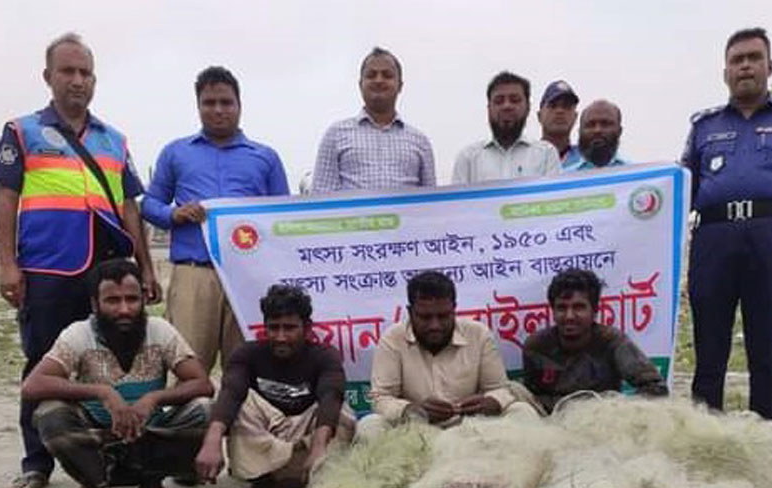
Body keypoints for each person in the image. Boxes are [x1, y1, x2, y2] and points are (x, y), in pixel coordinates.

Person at [0, 32, 158, 488]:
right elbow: (6, 198)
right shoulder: (22, 131)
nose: (77, 81)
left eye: (85, 73)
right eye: (68, 71)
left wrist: (146, 266)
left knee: (114, 362)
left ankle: (110, 456)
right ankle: (36, 463)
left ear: (94, 80)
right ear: (49, 77)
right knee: (42, 364)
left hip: (107, 270)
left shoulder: (114, 140)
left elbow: (130, 207)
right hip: (47, 268)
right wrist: (7, 264)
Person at [681, 27, 772, 420]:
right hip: (713, 239)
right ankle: (702, 434)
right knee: (709, 349)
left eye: (753, 57)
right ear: (725, 71)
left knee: (765, 349)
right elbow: (680, 193)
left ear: (770, 66)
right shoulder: (703, 126)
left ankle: (765, 435)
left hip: (769, 238)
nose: (744, 65)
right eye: (736, 60)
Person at [21, 259, 215, 488]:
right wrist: (103, 393)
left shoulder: (160, 331)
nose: (125, 309)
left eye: (132, 300)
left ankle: (152, 485)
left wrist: (154, 398)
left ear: (143, 300)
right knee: (50, 413)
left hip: (151, 429)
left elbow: (203, 384)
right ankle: (91, 486)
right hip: (98, 435)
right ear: (95, 304)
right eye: (113, 301)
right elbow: (32, 385)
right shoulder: (78, 334)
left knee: (204, 409)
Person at [142, 66, 289, 372]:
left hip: (248, 276)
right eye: (209, 103)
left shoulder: (265, 157)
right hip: (194, 274)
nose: (218, 110)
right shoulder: (176, 153)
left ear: (239, 105)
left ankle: (239, 421)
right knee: (188, 365)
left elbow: (283, 218)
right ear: (198, 106)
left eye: (226, 102)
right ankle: (192, 419)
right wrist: (174, 214)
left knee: (247, 368)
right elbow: (149, 204)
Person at [195, 285, 355, 488]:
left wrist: (319, 449)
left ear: (307, 328)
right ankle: (262, 483)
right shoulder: (247, 354)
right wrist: (211, 442)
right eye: (274, 328)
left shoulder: (325, 356)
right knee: (240, 405)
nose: (281, 337)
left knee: (342, 414)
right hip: (267, 434)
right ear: (264, 327)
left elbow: (331, 395)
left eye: (289, 328)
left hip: (307, 435)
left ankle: (309, 480)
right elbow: (231, 392)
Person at [366, 271, 538, 435]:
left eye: (443, 316)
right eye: (425, 317)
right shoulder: (393, 339)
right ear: (410, 312)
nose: (435, 326)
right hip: (414, 431)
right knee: (370, 426)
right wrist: (412, 411)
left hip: (473, 429)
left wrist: (492, 402)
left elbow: (500, 389)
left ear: (454, 309)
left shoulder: (478, 334)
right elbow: (380, 398)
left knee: (522, 412)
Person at [522, 269, 668, 413]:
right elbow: (531, 399)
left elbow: (656, 388)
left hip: (602, 422)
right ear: (553, 311)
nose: (569, 316)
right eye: (561, 308)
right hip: (552, 424)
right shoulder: (536, 346)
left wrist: (619, 411)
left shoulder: (612, 342)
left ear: (595, 310)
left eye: (579, 307)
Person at [312, 47, 436, 192]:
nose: (378, 80)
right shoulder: (335, 135)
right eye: (371, 75)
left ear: (400, 86)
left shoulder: (420, 142)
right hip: (354, 215)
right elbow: (322, 196)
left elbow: (430, 205)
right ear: (360, 85)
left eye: (387, 75)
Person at [452, 72, 561, 184]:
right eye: (499, 101)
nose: (507, 106)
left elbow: (555, 199)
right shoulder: (468, 158)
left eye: (515, 100)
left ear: (528, 107)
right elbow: (456, 201)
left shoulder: (546, 154)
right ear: (489, 109)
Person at [566, 99, 628, 171]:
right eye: (590, 125)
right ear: (579, 131)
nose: (597, 130)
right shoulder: (563, 178)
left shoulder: (636, 175)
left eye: (605, 124)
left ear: (619, 131)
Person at [537, 80, 583, 169]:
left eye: (567, 106)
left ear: (575, 117)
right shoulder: (525, 157)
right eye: (553, 106)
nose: (560, 111)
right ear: (539, 116)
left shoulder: (586, 160)